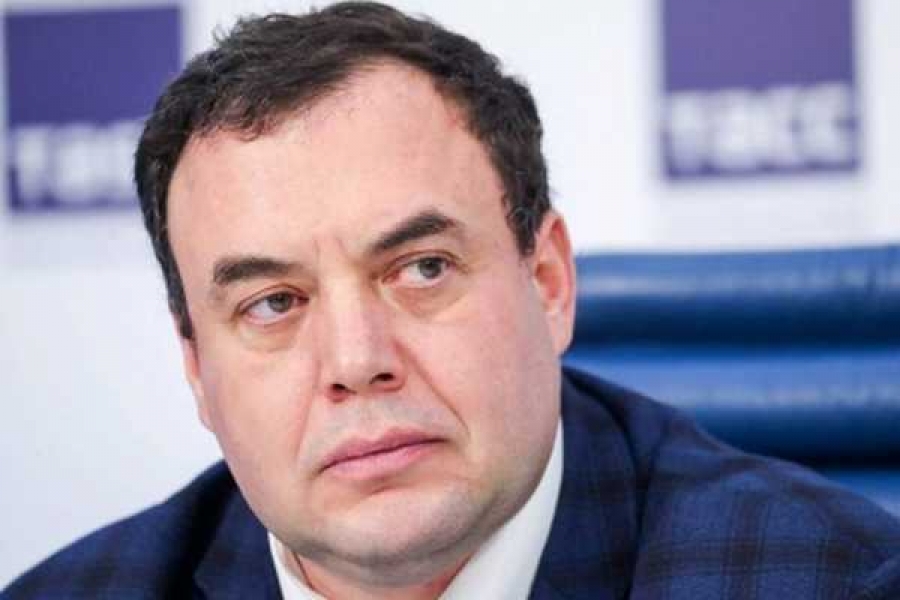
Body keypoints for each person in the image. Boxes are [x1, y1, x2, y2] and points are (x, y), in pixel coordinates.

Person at [4, 2, 900, 598]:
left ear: (548, 283)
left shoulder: (837, 581)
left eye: (421, 268)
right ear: (198, 370)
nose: (357, 361)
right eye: (274, 304)